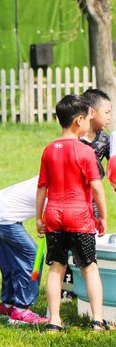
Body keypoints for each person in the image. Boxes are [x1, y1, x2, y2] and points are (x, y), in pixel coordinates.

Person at [36, 94, 110, 332]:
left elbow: (42, 188)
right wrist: (103, 217)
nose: (89, 123)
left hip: (54, 216)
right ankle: (98, 320)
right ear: (79, 120)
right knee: (89, 266)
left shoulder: (49, 150)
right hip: (79, 217)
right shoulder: (85, 151)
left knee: (56, 267)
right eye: (88, 118)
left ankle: (54, 320)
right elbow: (97, 188)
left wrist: (39, 217)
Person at [57, 89, 114, 302]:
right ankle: (67, 288)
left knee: (89, 249)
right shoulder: (74, 139)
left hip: (93, 204)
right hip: (72, 201)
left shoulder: (105, 140)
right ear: (91, 112)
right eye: (106, 111)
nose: (109, 116)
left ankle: (90, 288)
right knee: (68, 248)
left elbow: (112, 168)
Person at [0, 176, 49, 325]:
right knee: (33, 257)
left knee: (9, 260)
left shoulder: (52, 170)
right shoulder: (60, 184)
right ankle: (21, 311)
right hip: (4, 215)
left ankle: (7, 305)